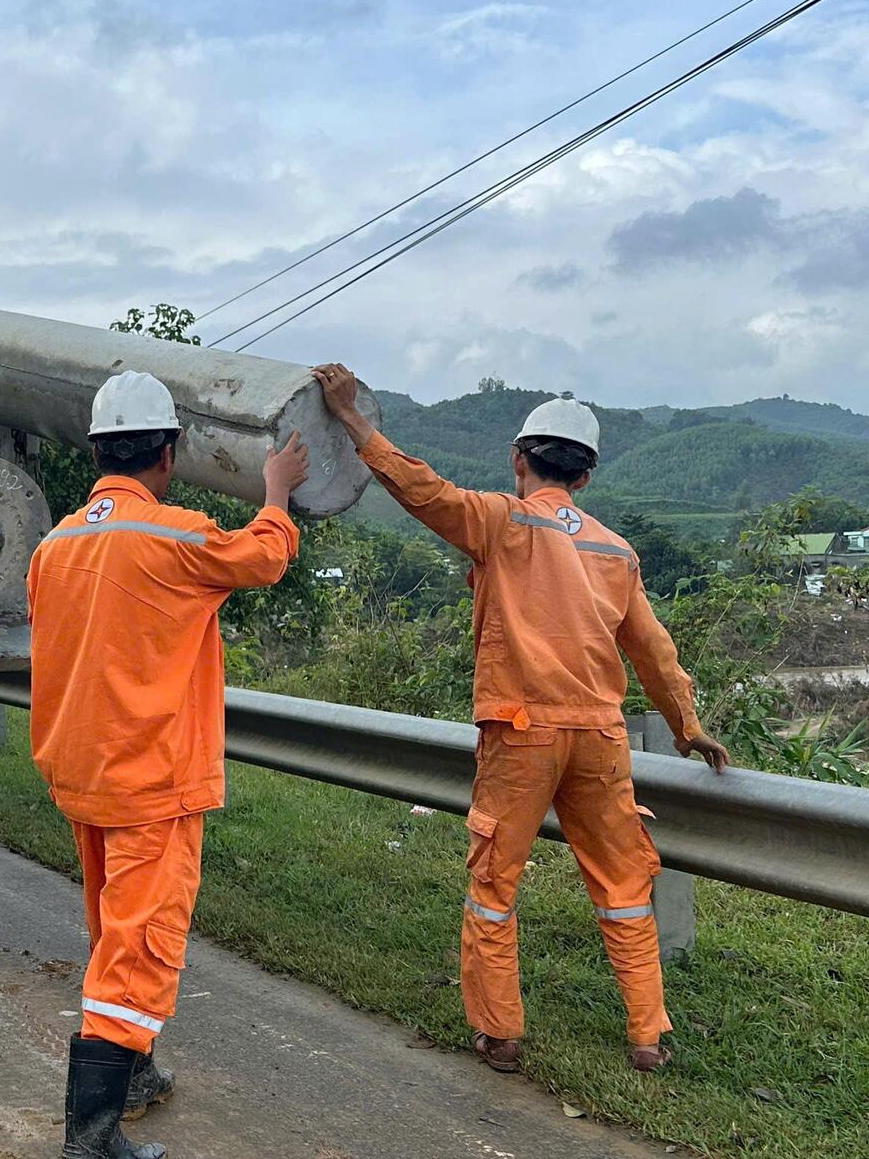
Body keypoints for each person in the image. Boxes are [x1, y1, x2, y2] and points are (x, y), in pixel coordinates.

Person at [312, 364, 729, 1074]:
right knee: (625, 887)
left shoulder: (501, 522)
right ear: (587, 476)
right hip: (600, 737)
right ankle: (646, 1036)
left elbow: (422, 491)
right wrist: (687, 726)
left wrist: (354, 420)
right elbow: (655, 653)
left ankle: (500, 1033)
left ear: (518, 460)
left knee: (496, 882)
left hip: (520, 731)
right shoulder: (614, 551)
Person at [28, 370, 309, 1159]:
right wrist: (278, 493)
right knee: (142, 944)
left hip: (82, 768)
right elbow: (262, 557)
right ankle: (92, 1141)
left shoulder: (57, 544)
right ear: (169, 453)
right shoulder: (174, 536)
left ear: (95, 452)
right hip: (150, 775)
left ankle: (136, 1071)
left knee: (113, 928)